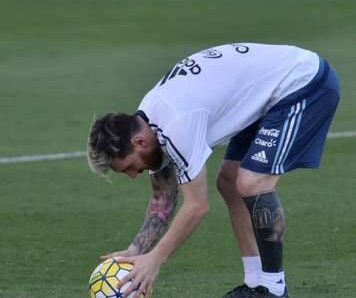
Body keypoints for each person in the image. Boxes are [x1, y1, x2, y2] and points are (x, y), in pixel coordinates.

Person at [86, 43, 340, 298]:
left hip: (303, 83)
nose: (132, 174)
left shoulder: (175, 124)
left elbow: (197, 206)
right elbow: (163, 198)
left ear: (138, 142)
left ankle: (273, 289)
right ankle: (255, 285)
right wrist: (137, 249)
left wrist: (155, 260)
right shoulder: (149, 121)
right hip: (267, 96)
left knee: (252, 183)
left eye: (129, 166)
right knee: (230, 182)